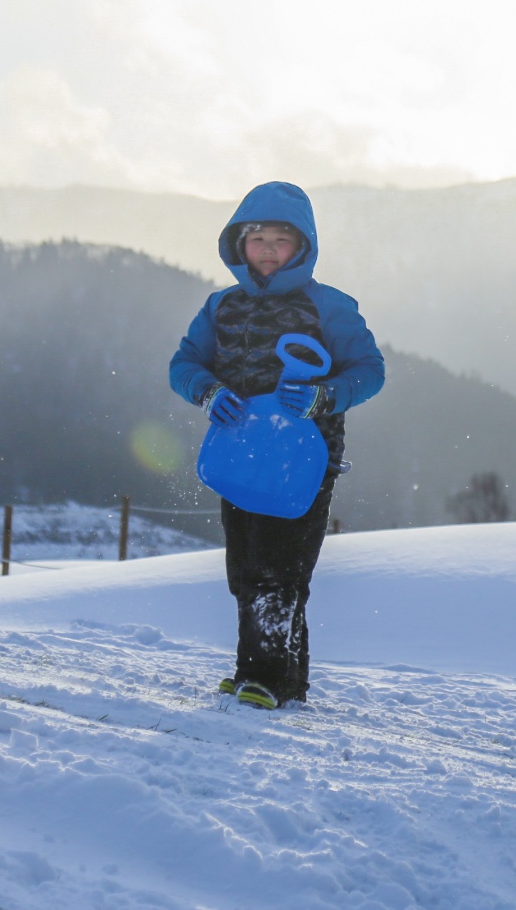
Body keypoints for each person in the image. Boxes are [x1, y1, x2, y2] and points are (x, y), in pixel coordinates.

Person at [169, 181, 385, 709]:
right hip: (240, 457)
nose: (266, 249)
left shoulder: (329, 307)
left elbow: (370, 372)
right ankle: (263, 676)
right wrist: (207, 390)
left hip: (305, 461)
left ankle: (270, 679)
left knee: (282, 570)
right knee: (245, 569)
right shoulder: (220, 307)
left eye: (279, 240)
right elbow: (184, 365)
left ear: (303, 246)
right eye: (255, 237)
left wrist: (324, 397)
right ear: (237, 245)